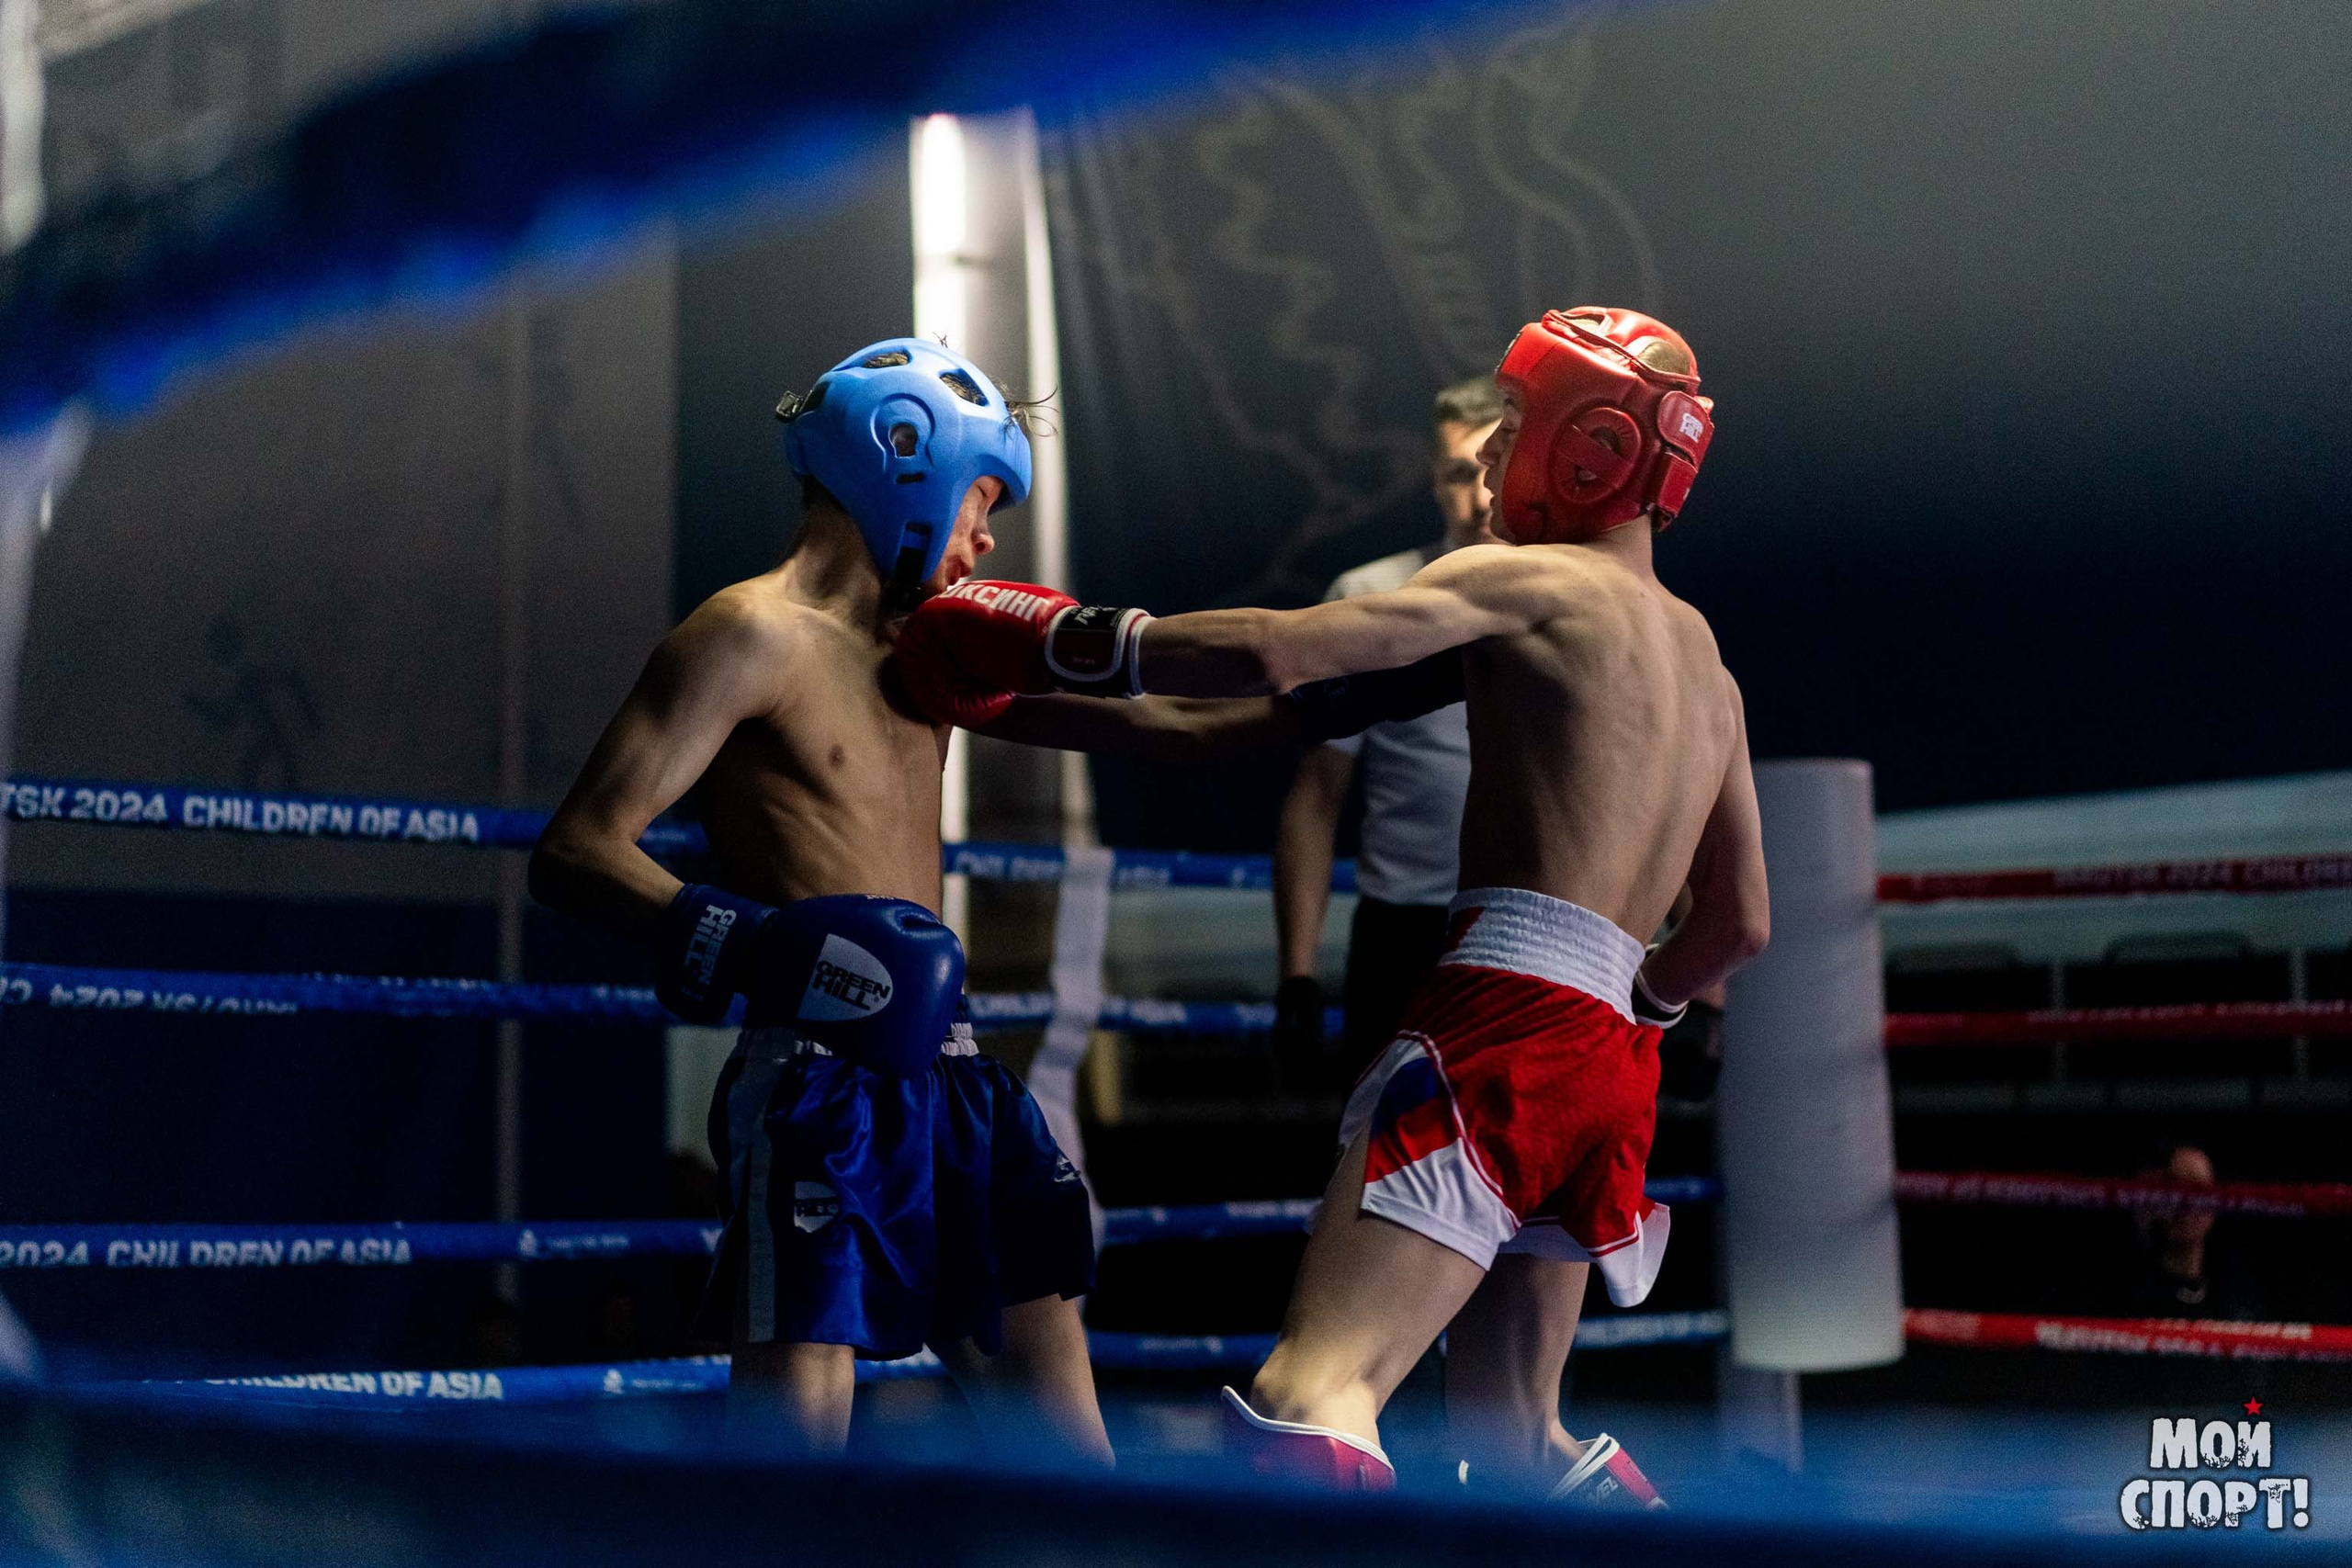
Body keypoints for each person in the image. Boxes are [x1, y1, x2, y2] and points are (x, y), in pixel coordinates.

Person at [888, 307, 1770, 1502]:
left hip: (1499, 1020)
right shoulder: (1707, 658)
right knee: (1520, 1443)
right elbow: (1737, 923)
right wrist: (1017, 706)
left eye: (1512, 425)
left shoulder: (1523, 583)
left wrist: (1053, 635)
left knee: (1314, 1397)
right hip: (1614, 1059)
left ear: (1592, 447)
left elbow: (1271, 653)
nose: (1493, 458)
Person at [531, 337, 1292, 1463]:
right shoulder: (746, 635)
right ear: (903, 463)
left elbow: (1178, 729)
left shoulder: (933, 654)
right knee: (794, 1461)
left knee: (1071, 1459)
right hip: (815, 1076)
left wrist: (1370, 689)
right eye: (981, 503)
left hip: (962, 1073)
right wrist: (770, 952)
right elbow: (579, 848)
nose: (987, 540)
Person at [1272, 376, 1502, 1089]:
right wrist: (1298, 977)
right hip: (1401, 935)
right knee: (1371, 1169)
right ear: (1436, 479)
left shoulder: (1579, 601)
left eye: (1496, 469)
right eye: (1463, 472)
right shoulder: (1373, 599)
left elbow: (1640, 782)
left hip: (1526, 924)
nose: (1483, 494)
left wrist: (1697, 986)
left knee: (1526, 1180)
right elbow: (1316, 798)